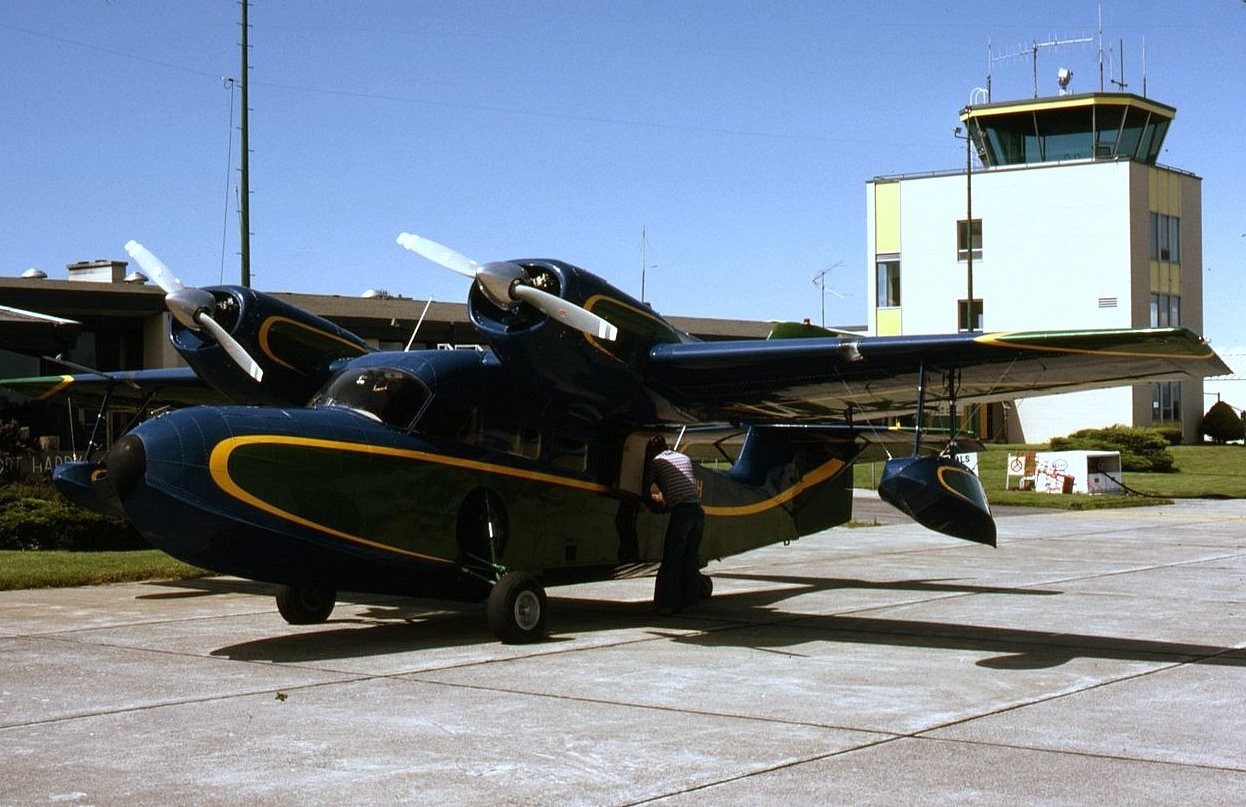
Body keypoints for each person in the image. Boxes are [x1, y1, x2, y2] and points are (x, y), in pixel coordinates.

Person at [646, 436, 704, 614]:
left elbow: (647, 488)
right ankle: (691, 601)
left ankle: (668, 603)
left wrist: (654, 505)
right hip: (698, 511)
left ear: (652, 450)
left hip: (682, 512)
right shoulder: (684, 457)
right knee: (690, 558)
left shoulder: (656, 462)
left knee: (672, 558)